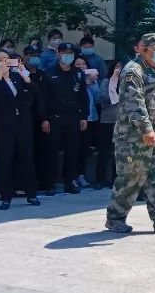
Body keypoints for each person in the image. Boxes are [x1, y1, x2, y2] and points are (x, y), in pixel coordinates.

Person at [105, 33, 155, 233]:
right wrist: (146, 129)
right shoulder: (133, 71)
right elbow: (135, 103)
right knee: (131, 177)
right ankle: (115, 218)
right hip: (134, 138)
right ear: (144, 49)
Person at [0, 52, 41, 210]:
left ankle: (31, 194)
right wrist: (0, 74)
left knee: (27, 157)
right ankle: (5, 196)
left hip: (23, 123)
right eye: (0, 60)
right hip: (5, 124)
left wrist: (24, 74)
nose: (4, 63)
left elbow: (34, 91)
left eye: (6, 60)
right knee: (5, 158)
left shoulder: (18, 77)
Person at [37, 43, 89, 195]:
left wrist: (83, 116)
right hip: (54, 117)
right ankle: (50, 183)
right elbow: (43, 98)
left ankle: (70, 182)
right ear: (58, 54)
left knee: (72, 151)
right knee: (51, 152)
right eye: (65, 52)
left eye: (71, 53)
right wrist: (44, 118)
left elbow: (83, 97)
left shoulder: (78, 73)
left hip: (73, 117)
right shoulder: (48, 73)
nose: (68, 55)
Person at [73, 55, 101, 189]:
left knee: (84, 149)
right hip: (74, 118)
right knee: (73, 148)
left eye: (83, 64)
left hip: (90, 118)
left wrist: (92, 82)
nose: (81, 67)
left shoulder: (93, 79)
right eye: (78, 65)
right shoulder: (72, 78)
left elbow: (98, 97)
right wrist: (85, 83)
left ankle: (81, 175)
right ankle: (72, 176)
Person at [95, 60, 122, 190]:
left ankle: (115, 179)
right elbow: (102, 98)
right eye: (117, 67)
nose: (119, 70)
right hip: (107, 121)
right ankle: (100, 179)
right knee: (104, 152)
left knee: (117, 152)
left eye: (121, 68)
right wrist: (114, 90)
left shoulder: (126, 83)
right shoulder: (106, 82)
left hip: (121, 122)